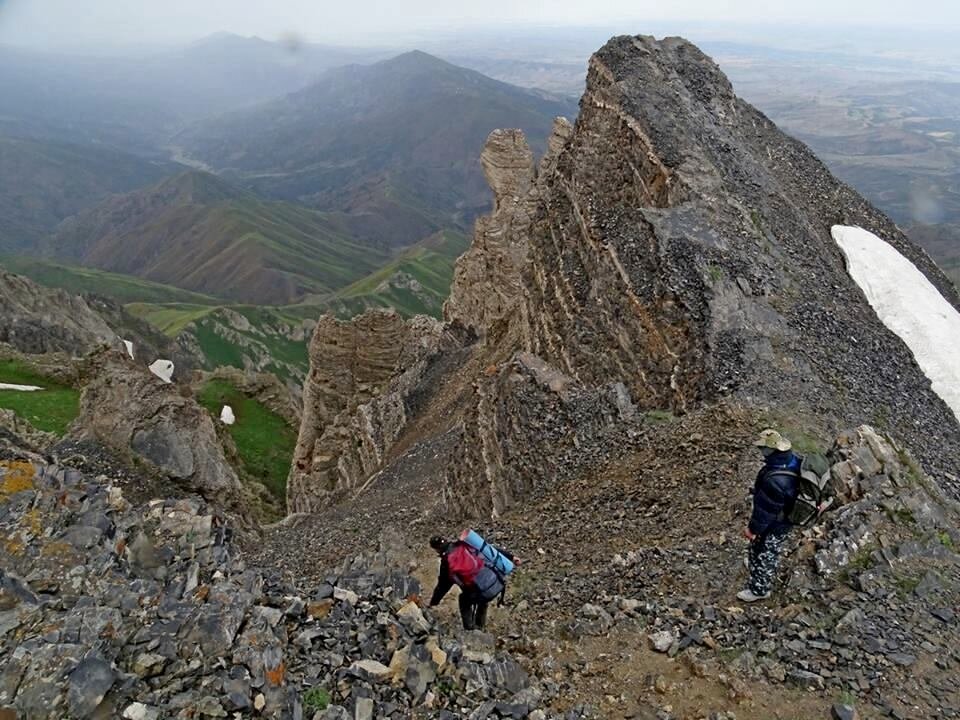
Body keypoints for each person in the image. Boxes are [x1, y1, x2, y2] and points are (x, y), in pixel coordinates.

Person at [737, 429, 801, 603]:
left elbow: (764, 512)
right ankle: (753, 564)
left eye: (763, 449)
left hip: (777, 524)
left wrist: (752, 529)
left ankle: (760, 589)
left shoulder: (775, 481)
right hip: (785, 517)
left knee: (766, 553)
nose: (761, 452)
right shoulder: (791, 460)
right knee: (760, 548)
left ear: (771, 450)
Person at [427, 535, 515, 631]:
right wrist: (511, 557)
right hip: (495, 582)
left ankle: (470, 630)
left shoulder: (447, 563)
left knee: (464, 600)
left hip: (481, 592)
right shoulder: (464, 545)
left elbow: (442, 587)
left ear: (437, 549)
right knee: (482, 597)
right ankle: (480, 626)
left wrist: (433, 603)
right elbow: (490, 549)